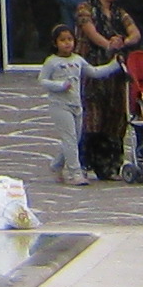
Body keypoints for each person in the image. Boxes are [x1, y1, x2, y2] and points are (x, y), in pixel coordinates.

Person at [72, 0, 143, 179]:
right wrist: (108, 44)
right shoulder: (85, 9)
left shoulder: (118, 12)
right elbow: (90, 32)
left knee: (116, 115)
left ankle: (111, 165)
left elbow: (135, 32)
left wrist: (125, 41)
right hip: (92, 66)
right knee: (93, 116)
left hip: (115, 69)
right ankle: (86, 162)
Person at [36, 26, 105, 186]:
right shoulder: (51, 61)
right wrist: (60, 85)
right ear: (55, 43)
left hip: (76, 105)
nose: (67, 43)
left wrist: (116, 65)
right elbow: (42, 80)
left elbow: (94, 72)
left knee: (75, 139)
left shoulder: (78, 60)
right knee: (70, 139)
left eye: (70, 39)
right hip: (59, 106)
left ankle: (56, 165)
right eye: (62, 40)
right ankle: (75, 173)